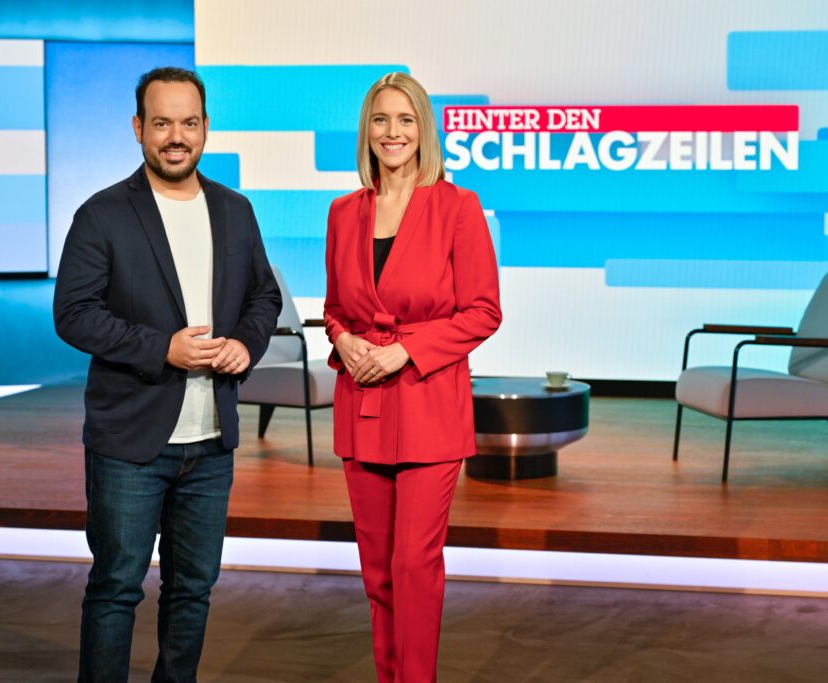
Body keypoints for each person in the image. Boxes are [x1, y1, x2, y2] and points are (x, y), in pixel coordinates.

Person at [53, 66, 281, 682]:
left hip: (211, 443)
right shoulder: (102, 213)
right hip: (130, 443)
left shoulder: (235, 210)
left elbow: (264, 297)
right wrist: (163, 350)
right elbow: (73, 314)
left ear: (205, 128)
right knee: (116, 588)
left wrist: (246, 344)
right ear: (138, 128)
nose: (176, 136)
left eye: (188, 123)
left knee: (192, 591)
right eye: (161, 123)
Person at [323, 72, 502, 682]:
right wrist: (342, 338)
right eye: (381, 119)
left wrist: (407, 352)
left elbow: (483, 311)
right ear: (366, 130)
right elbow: (335, 308)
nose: (392, 132)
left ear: (423, 129)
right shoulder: (343, 212)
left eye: (405, 119)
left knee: (413, 566)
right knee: (377, 570)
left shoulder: (457, 206)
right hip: (362, 404)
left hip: (428, 404)